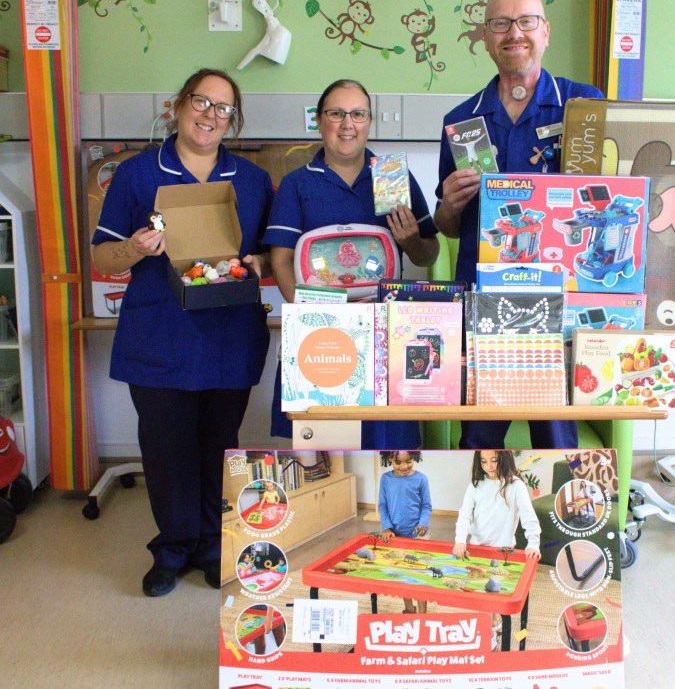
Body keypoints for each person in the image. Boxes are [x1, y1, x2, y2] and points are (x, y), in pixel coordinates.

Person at [435, 0, 675, 450]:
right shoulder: (462, 122)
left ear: (545, 31)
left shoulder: (586, 106)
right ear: (486, 36)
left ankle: (564, 517)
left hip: (568, 297)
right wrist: (450, 206)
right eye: (500, 23)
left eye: (526, 22)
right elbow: (448, 226)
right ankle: (482, 520)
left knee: (557, 434)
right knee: (480, 431)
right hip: (486, 301)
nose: (514, 33)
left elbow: (641, 162)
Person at [91, 68, 274, 597]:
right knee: (167, 450)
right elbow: (103, 253)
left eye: (224, 109)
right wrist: (135, 249)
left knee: (220, 446)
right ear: (177, 105)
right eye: (202, 102)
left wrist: (259, 259)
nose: (210, 115)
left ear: (233, 122)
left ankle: (215, 548)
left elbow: (268, 252)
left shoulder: (253, 180)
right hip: (160, 336)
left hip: (228, 335)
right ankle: (172, 548)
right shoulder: (138, 174)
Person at [264, 79, 440, 449]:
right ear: (319, 120)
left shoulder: (392, 177)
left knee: (389, 446)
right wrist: (312, 314)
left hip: (383, 329)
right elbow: (280, 258)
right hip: (322, 333)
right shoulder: (298, 184)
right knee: (326, 444)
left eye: (358, 114)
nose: (348, 124)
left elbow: (429, 253)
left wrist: (410, 241)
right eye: (336, 113)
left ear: (369, 121)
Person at [453, 450, 541, 648]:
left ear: (504, 458)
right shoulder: (476, 485)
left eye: (493, 461)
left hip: (503, 552)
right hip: (478, 550)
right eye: (483, 462)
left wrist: (533, 542)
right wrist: (460, 540)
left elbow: (528, 515)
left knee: (493, 594)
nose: (489, 467)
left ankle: (494, 625)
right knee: (481, 597)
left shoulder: (516, 486)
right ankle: (490, 631)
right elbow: (465, 514)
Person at [378, 450, 432, 614]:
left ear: (414, 458)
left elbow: (426, 506)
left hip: (418, 536)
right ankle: (409, 610)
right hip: (396, 536)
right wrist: (386, 527)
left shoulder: (421, 479)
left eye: (408, 461)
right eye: (398, 462)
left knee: (420, 577)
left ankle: (422, 615)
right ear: (389, 459)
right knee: (403, 575)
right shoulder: (386, 480)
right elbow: (383, 506)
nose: (404, 466)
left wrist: (423, 524)